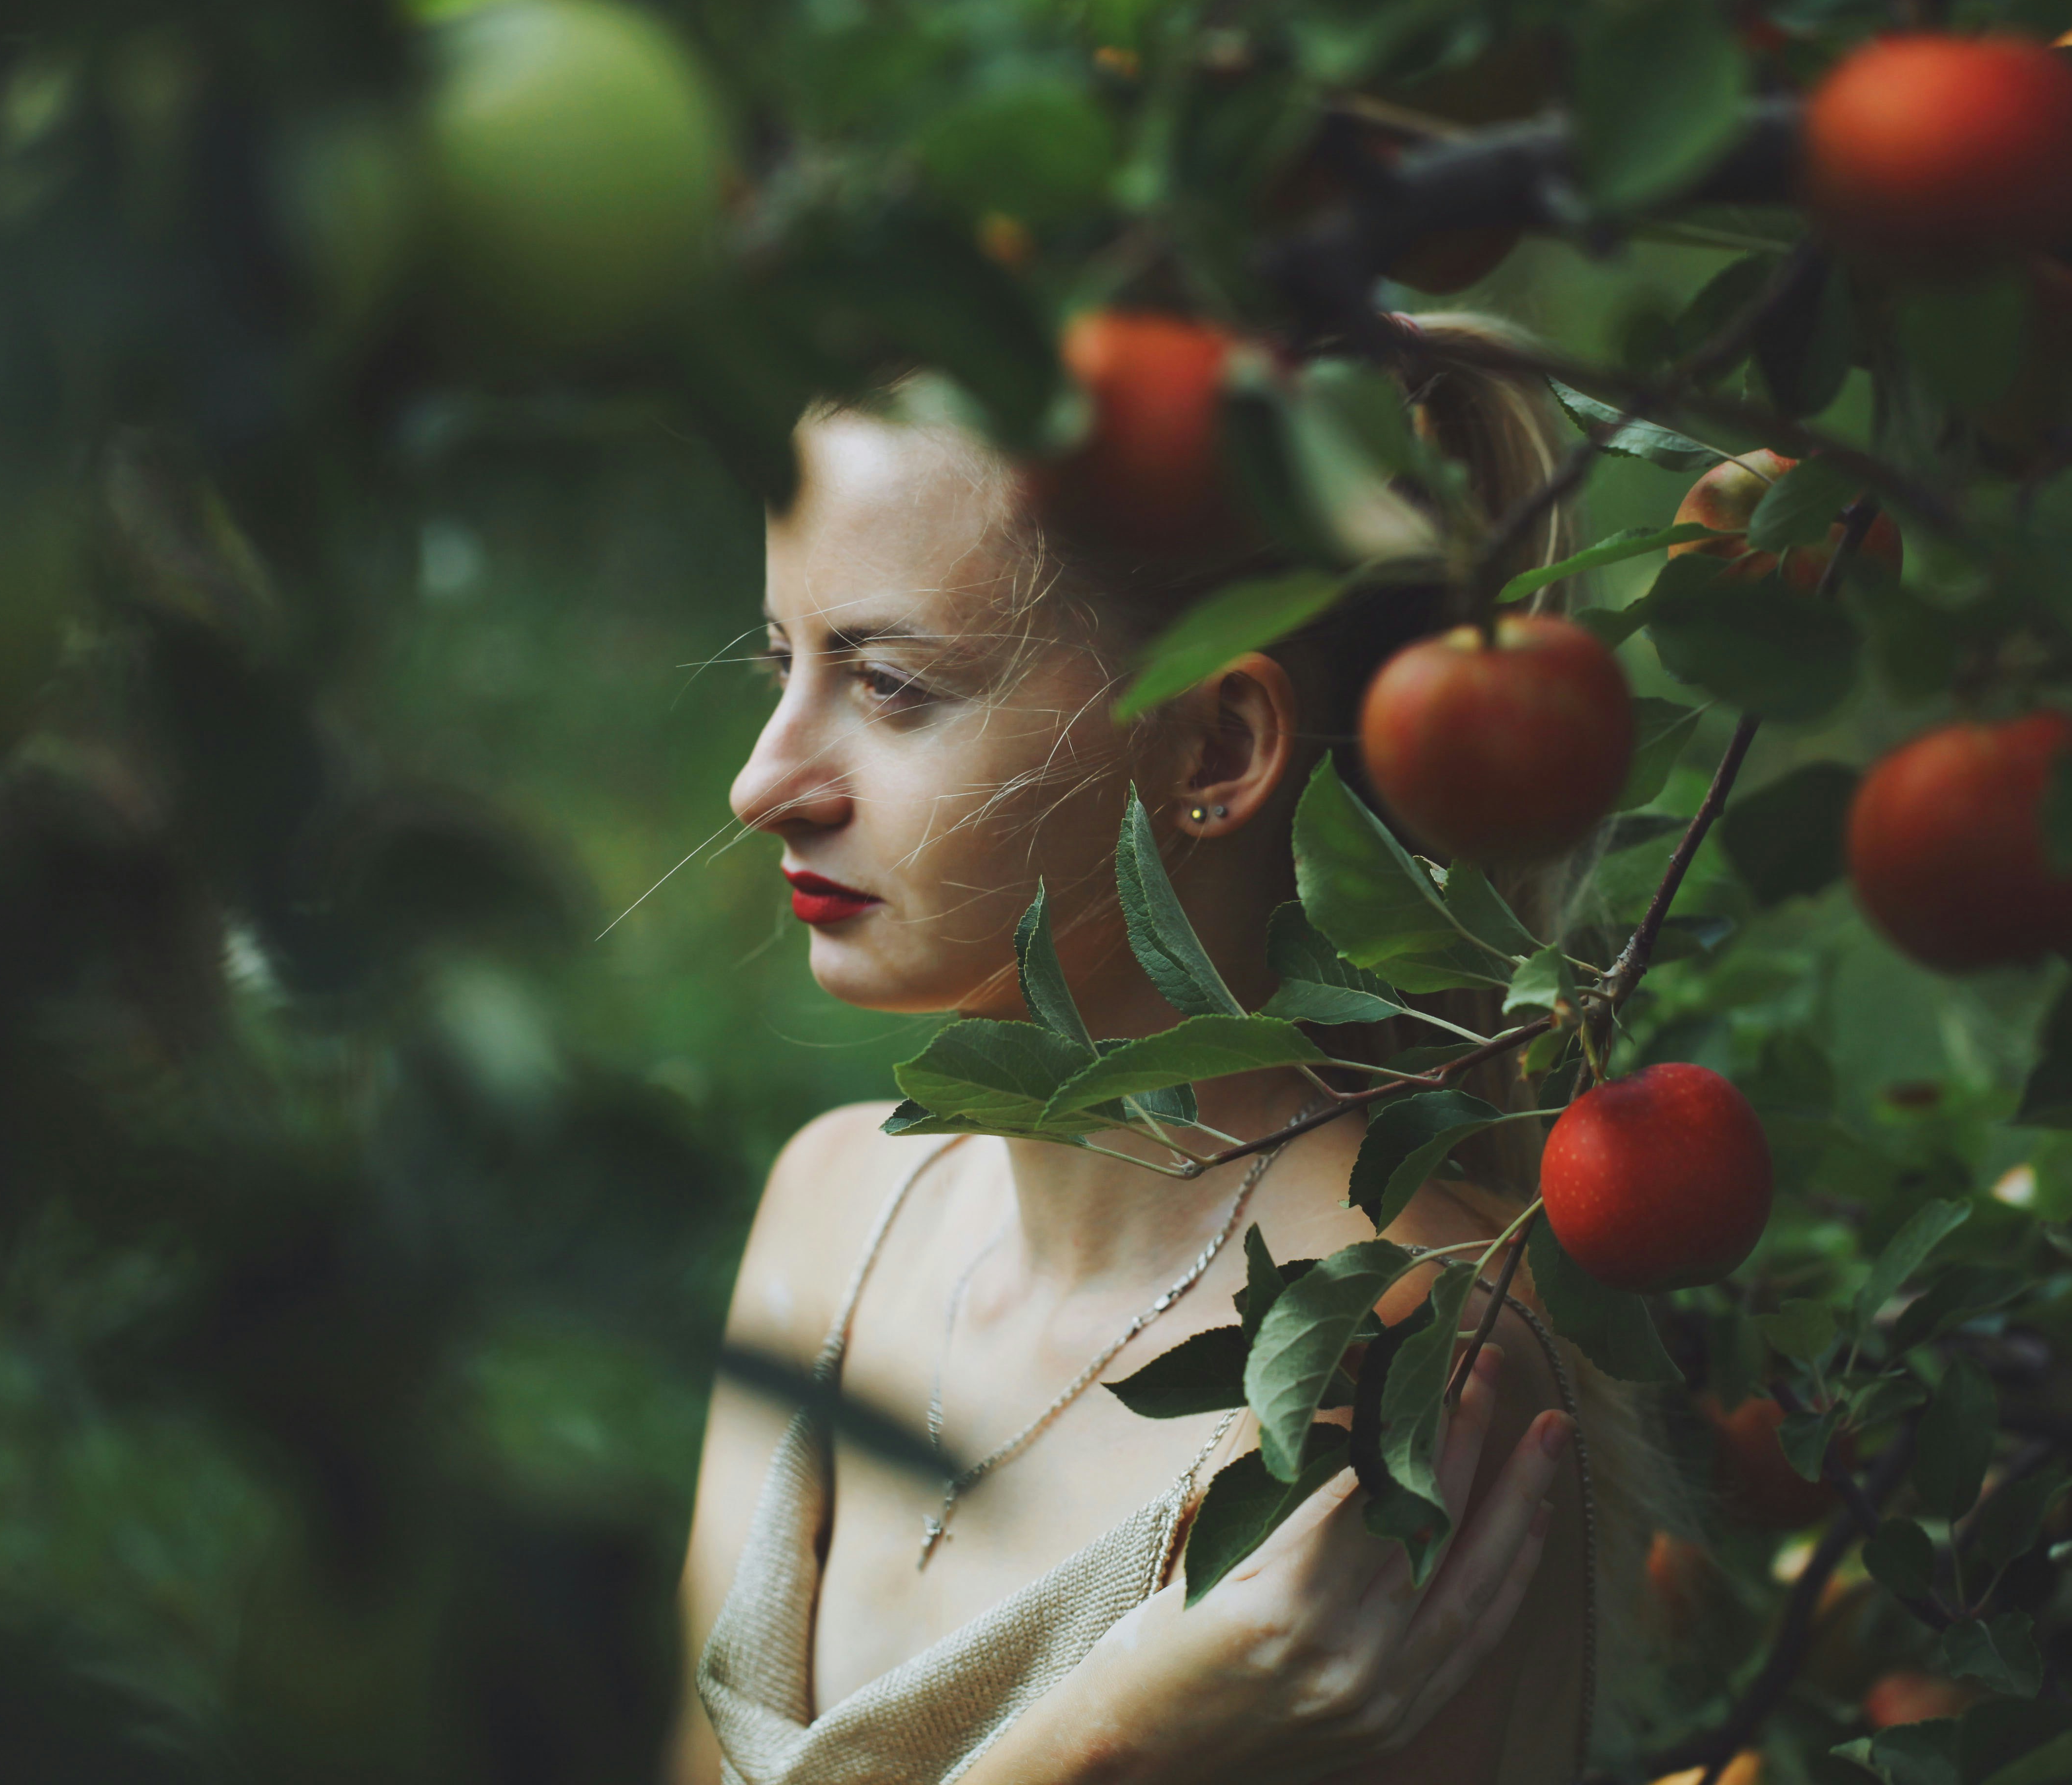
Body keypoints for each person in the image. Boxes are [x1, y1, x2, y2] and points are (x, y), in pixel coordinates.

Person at [673, 313, 1669, 1785]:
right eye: (784, 664)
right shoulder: (827, 1221)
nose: (766, 782)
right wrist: (1097, 1747)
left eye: (889, 686)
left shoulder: (1395, 1364)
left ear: (1214, 751)